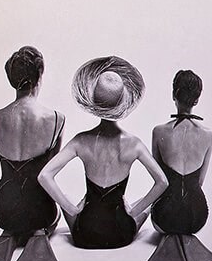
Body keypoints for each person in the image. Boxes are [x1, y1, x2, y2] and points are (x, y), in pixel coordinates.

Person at [39, 56, 167, 250]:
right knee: (145, 204)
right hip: (121, 234)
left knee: (66, 196)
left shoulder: (80, 140)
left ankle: (82, 210)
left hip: (85, 234)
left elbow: (44, 175)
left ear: (94, 103)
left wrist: (73, 210)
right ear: (122, 103)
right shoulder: (135, 144)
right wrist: (133, 212)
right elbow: (162, 182)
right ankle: (128, 211)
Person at [0, 46, 64, 261]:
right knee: (46, 215)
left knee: (15, 207)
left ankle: (10, 234)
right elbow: (48, 174)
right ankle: (38, 233)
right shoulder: (56, 118)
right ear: (40, 73)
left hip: (4, 208)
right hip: (41, 210)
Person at [148, 69, 212, 261]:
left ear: (174, 95)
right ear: (196, 100)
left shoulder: (159, 131)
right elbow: (200, 182)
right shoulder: (208, 135)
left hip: (164, 218)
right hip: (197, 217)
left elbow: (159, 181)